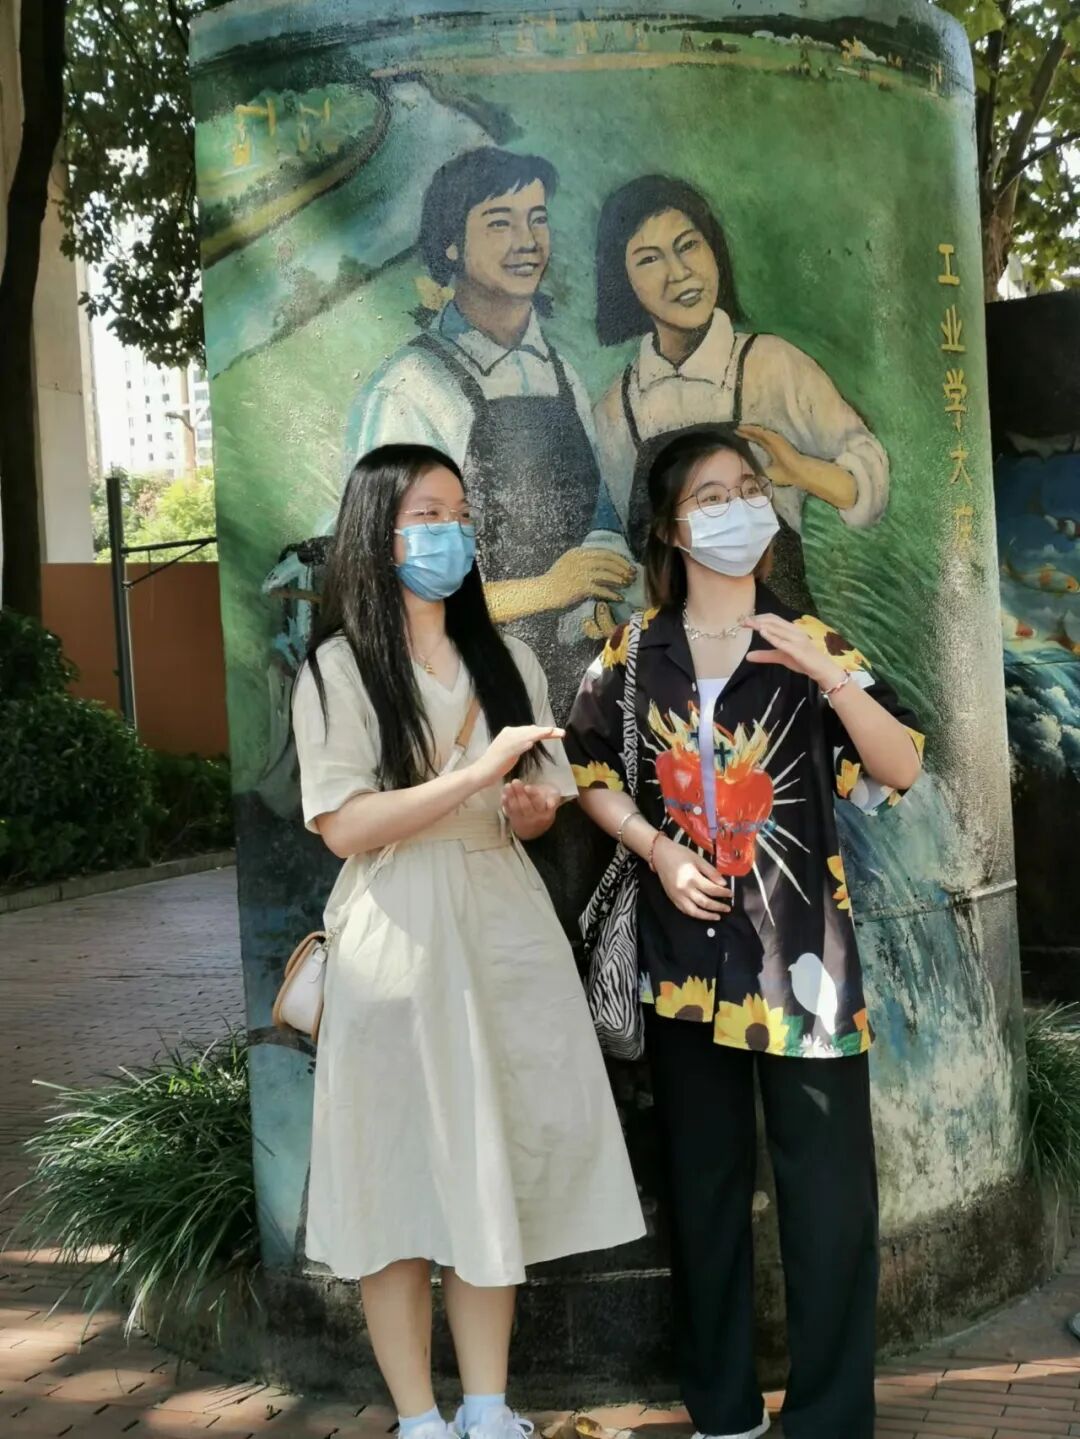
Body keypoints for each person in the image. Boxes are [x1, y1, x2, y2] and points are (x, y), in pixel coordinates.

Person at [566, 425, 923, 1439]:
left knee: (831, 1204)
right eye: (712, 495)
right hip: (684, 971)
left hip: (805, 965)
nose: (739, 507)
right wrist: (656, 849)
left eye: (750, 488)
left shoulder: (812, 641)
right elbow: (589, 770)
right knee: (705, 1196)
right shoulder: (632, 654)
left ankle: (829, 1417)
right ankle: (723, 1409)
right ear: (672, 529)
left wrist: (828, 672)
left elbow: (900, 765)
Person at [292, 444, 644, 1439]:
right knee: (395, 1176)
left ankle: (488, 1407)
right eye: (427, 514)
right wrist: (477, 773)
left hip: (503, 924)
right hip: (397, 936)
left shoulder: (510, 660)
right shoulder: (338, 668)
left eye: (459, 513)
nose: (451, 531)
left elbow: (537, 803)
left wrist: (527, 807)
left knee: (496, 1161)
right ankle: (418, 1417)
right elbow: (345, 824)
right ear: (377, 532)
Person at [344, 147, 634, 712]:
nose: (527, 241)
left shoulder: (563, 374)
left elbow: (600, 516)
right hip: (462, 692)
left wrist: (595, 588)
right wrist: (549, 590)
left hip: (576, 693)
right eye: (500, 223)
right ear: (451, 244)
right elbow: (387, 586)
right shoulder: (409, 389)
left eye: (537, 219)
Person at [591, 176, 890, 610]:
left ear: (714, 250)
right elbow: (627, 544)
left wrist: (801, 470)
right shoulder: (615, 409)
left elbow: (868, 483)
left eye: (688, 245)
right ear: (623, 280)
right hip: (675, 639)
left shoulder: (772, 364)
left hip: (780, 629)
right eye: (650, 259)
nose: (679, 272)